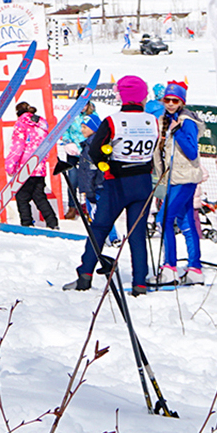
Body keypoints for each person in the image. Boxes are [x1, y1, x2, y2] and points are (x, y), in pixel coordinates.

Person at [65, 76, 159, 294]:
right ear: (143, 96)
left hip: (117, 180)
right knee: (137, 233)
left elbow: (95, 151)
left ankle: (85, 275)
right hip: (143, 181)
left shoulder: (113, 120)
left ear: (121, 95)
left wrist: (104, 165)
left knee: (99, 228)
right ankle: (140, 283)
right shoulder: (151, 120)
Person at [153, 81, 203, 282]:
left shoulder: (186, 121)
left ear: (182, 101)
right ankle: (195, 268)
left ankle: (170, 265)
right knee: (185, 221)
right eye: (167, 100)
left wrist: (177, 131)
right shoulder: (164, 119)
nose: (171, 104)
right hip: (172, 178)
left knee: (164, 219)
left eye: (175, 100)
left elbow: (192, 152)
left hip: (185, 178)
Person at [3, 102, 57, 228]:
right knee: (39, 196)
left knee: (22, 197)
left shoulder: (21, 124)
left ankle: (26, 223)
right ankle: (52, 222)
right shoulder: (41, 124)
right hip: (39, 165)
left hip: (24, 166)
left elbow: (18, 146)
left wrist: (10, 165)